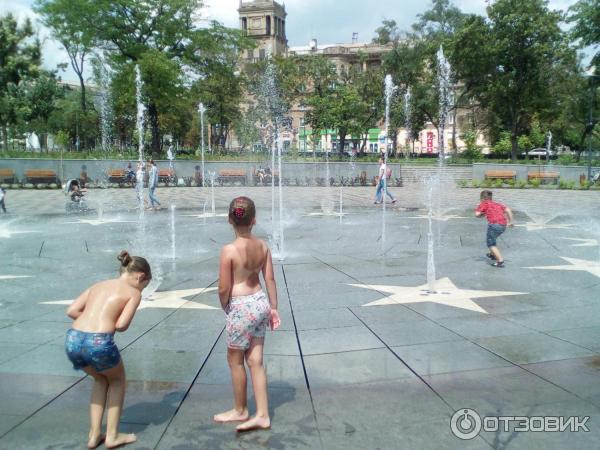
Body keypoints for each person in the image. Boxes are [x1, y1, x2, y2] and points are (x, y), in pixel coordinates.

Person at [64, 251, 151, 449]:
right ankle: (112, 436)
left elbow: (71, 311)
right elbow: (121, 325)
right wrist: (106, 322)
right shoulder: (133, 293)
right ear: (140, 277)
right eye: (144, 286)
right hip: (99, 342)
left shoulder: (98, 285)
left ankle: (94, 434)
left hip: (73, 339)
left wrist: (91, 319)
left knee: (100, 379)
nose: (142, 290)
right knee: (117, 380)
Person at [214, 196, 281, 432]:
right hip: (261, 302)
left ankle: (241, 410)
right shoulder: (263, 246)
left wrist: (225, 304)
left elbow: (224, 287)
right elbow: (270, 279)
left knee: (235, 360)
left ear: (229, 219)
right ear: (254, 220)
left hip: (240, 305)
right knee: (256, 361)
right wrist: (273, 308)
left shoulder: (229, 250)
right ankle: (262, 414)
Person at [475, 190, 514, 267]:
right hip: (503, 225)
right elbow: (508, 210)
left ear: (482, 198)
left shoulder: (484, 203)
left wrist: (482, 214)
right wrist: (511, 222)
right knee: (492, 238)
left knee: (491, 244)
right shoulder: (497, 204)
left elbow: (477, 214)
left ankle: (500, 261)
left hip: (494, 225)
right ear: (491, 197)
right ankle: (492, 254)